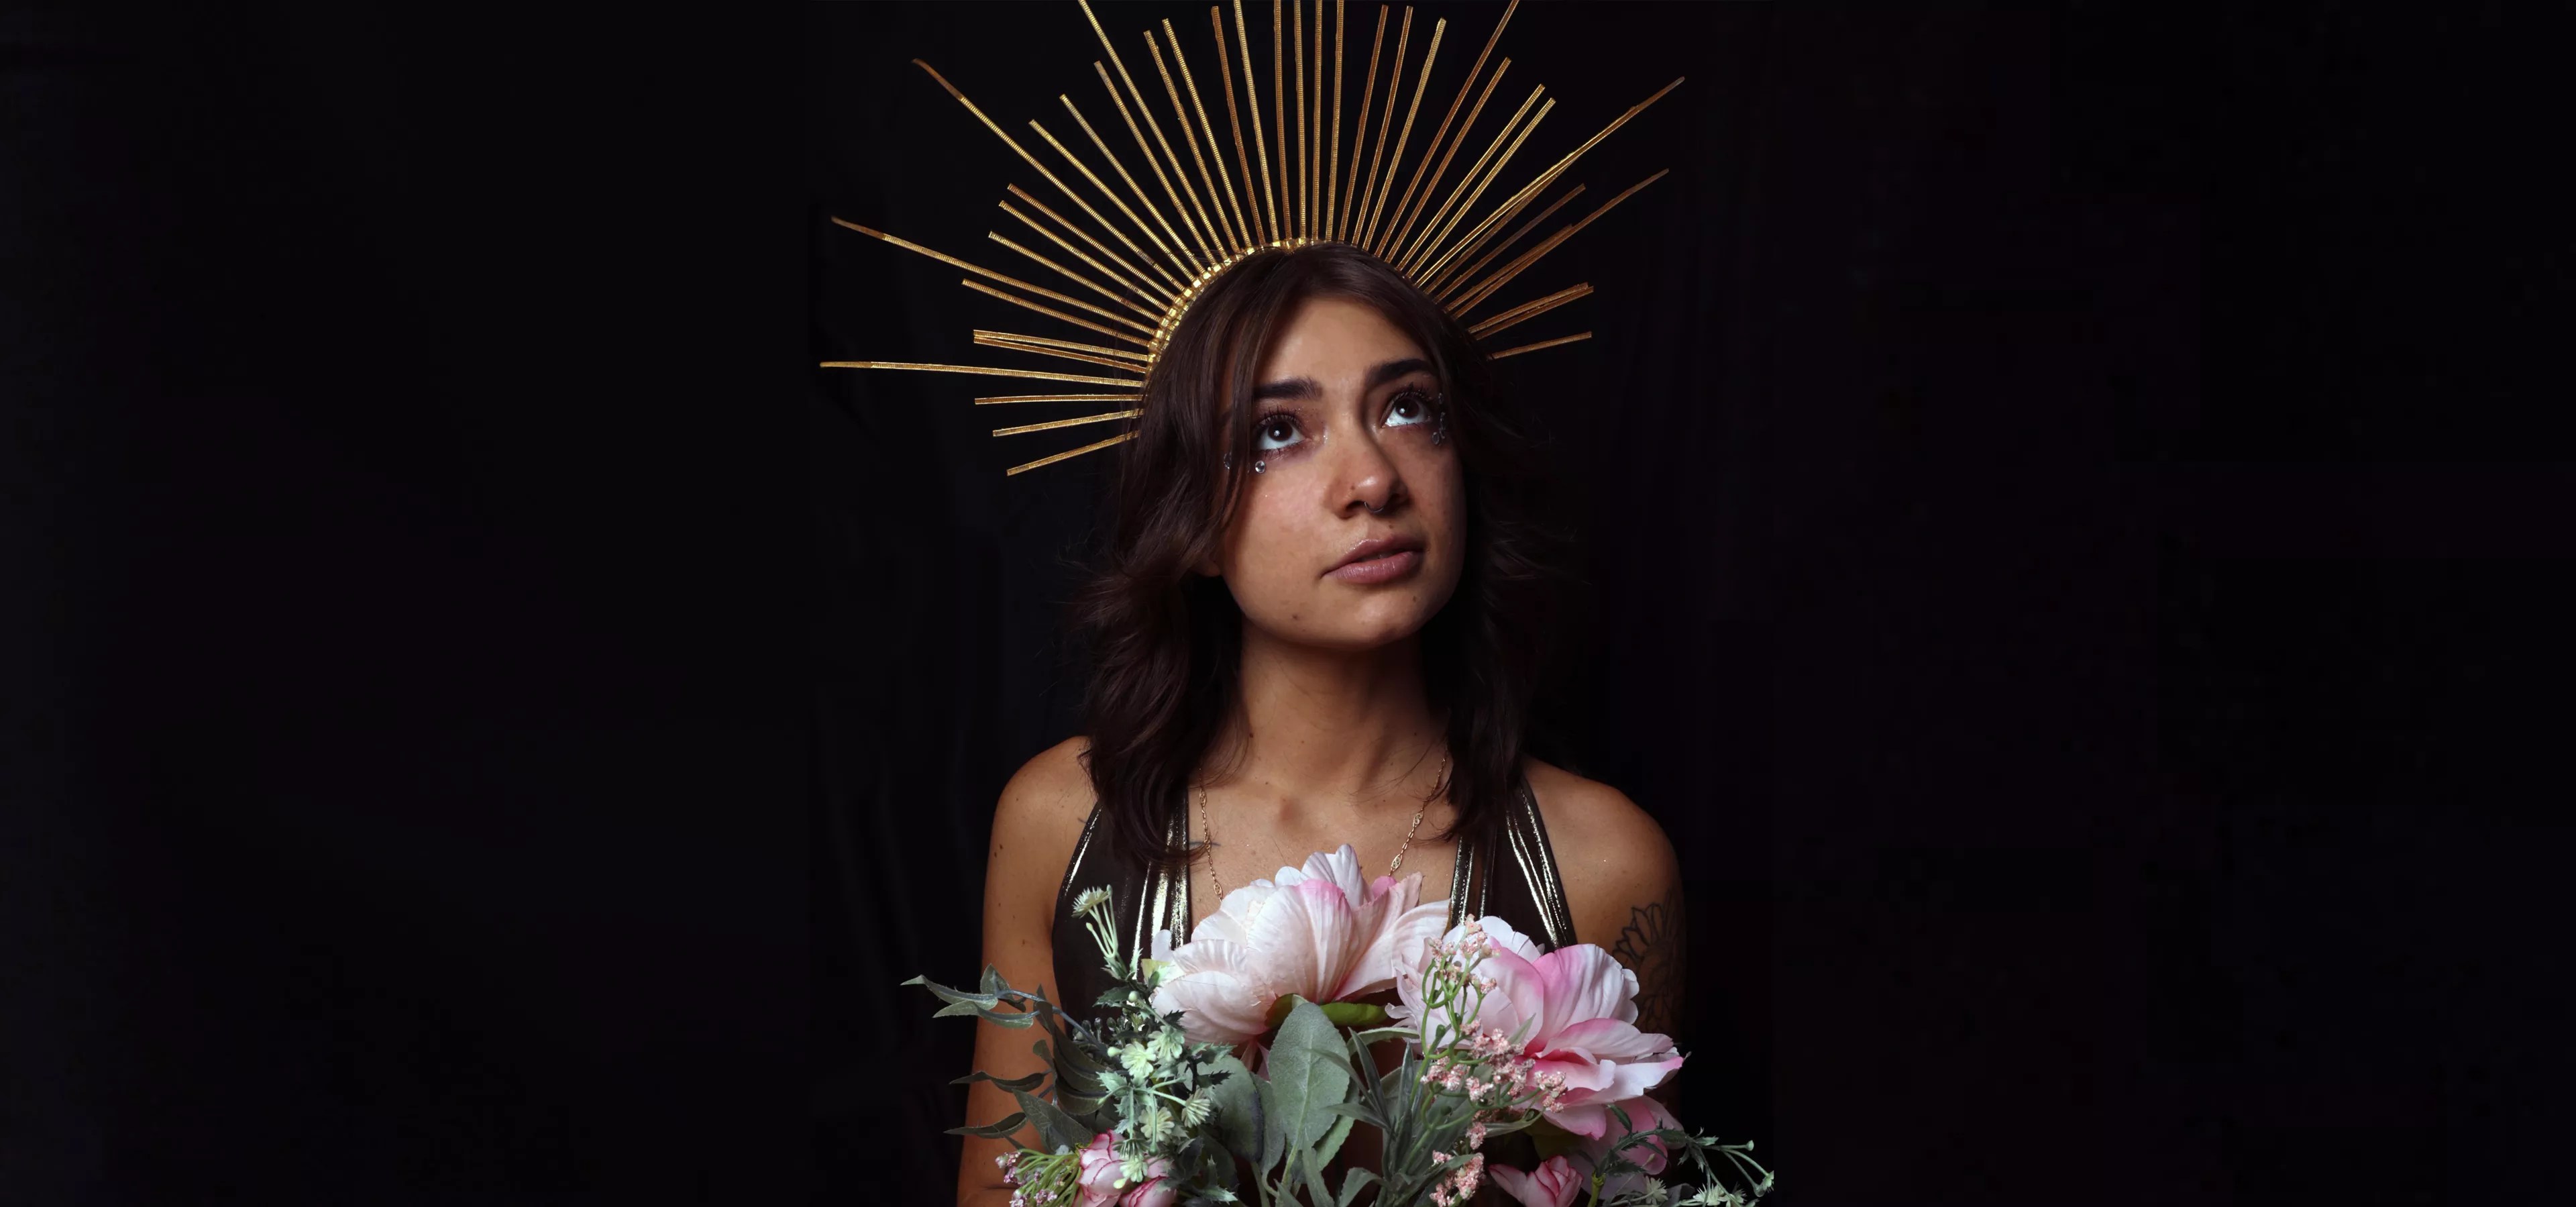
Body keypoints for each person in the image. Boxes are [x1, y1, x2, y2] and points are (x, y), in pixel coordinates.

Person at [954, 244, 1685, 1206]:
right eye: (1278, 432)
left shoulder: (1601, 865)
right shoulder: (1062, 821)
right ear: (1194, 518)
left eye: (1409, 408)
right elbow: (1000, 1186)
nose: (1373, 479)